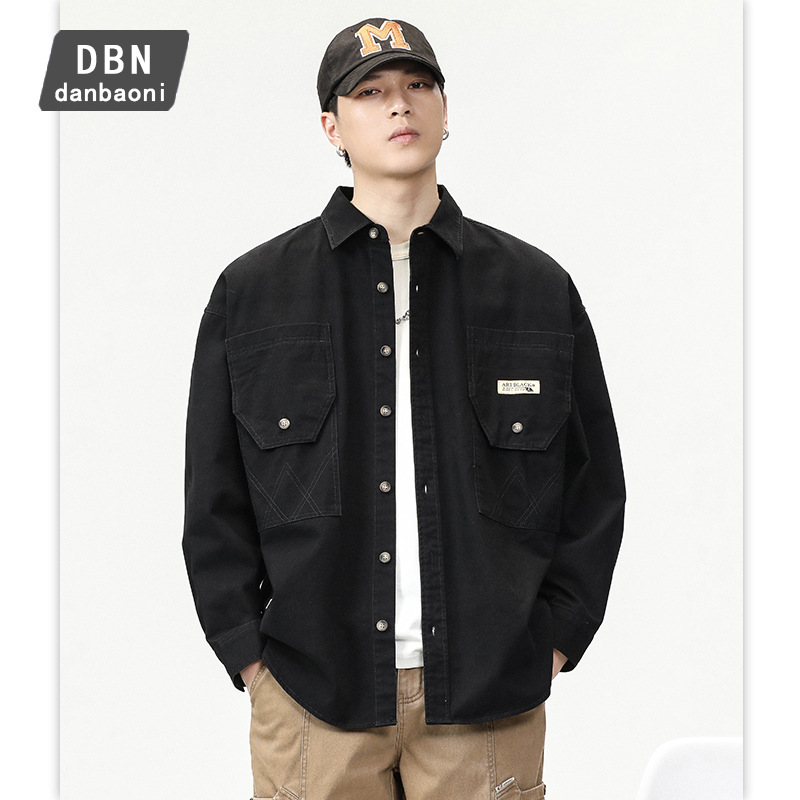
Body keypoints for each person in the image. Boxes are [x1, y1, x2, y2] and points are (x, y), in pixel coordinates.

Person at [182, 17, 625, 800]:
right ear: (332, 126)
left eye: (419, 85)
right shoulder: (254, 294)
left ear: (446, 111)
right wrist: (248, 654)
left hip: (488, 696)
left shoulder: (534, 289)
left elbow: (594, 485)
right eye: (371, 92)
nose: (400, 105)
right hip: (312, 696)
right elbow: (213, 493)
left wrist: (556, 636)